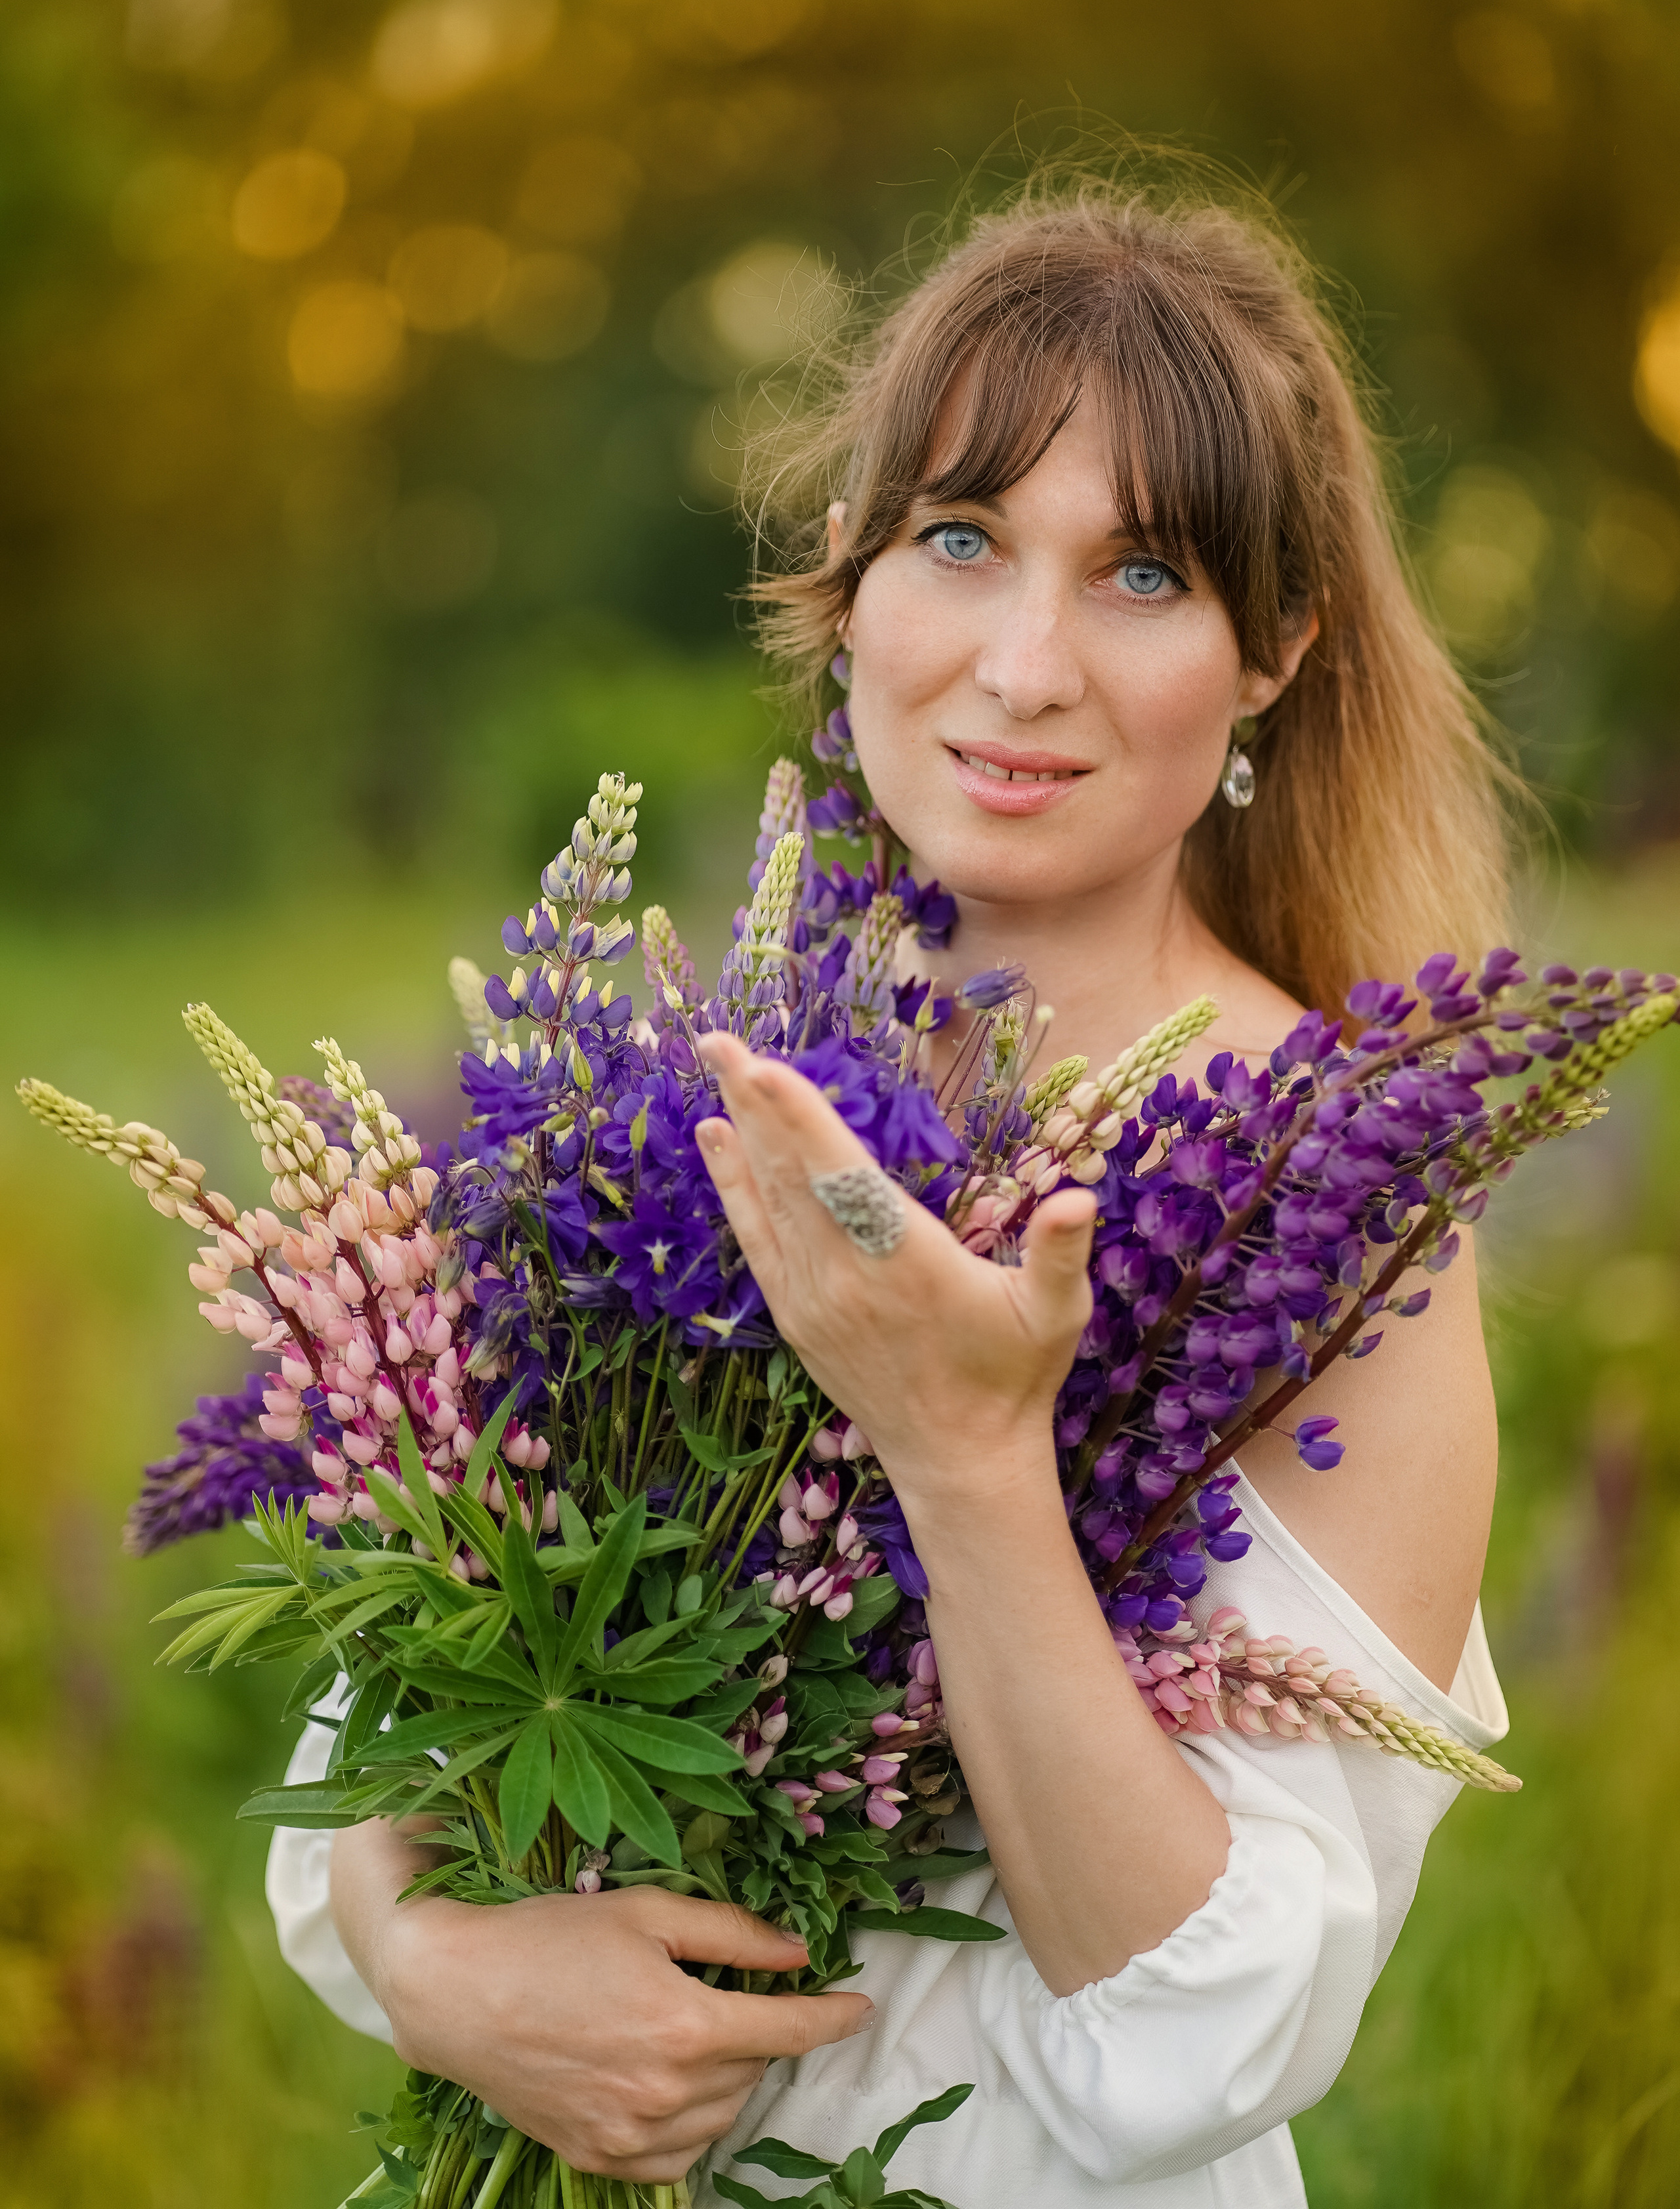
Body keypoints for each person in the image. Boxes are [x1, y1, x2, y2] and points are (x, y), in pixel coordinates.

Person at [269, 179, 1513, 2207]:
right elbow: (395, 1729)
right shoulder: (697, 1082)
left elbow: (1214, 2031)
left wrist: (966, 1451)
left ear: (1276, 650)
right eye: (959, 542)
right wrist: (427, 1964)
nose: (1022, 666)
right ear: (850, 582)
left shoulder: (1333, 1208)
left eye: (1140, 576)